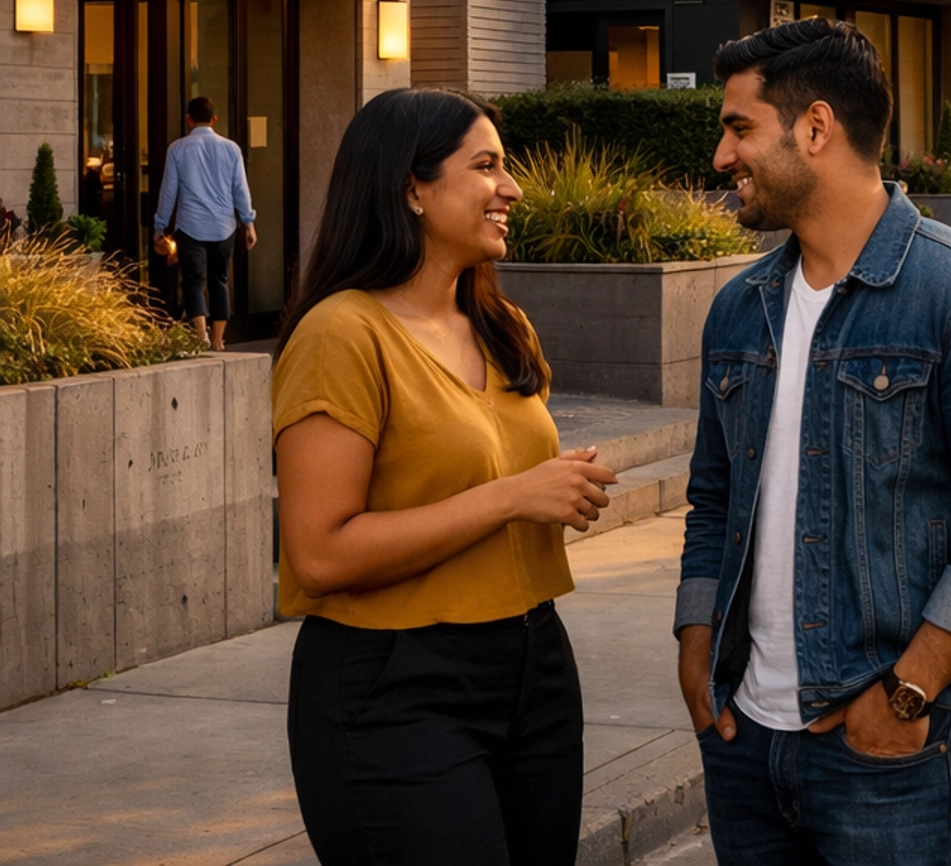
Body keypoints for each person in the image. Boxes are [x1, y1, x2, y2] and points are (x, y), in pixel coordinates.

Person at [676, 20, 951, 866]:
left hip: (899, 754)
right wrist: (695, 643)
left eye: (739, 127)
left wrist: (905, 692)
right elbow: (713, 498)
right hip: (745, 740)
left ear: (815, 128)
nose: (722, 156)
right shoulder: (740, 308)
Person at [271, 87, 617, 866]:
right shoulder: (341, 334)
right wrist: (513, 496)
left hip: (535, 667)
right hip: (395, 686)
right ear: (412, 189)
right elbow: (319, 553)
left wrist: (557, 486)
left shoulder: (503, 326)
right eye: (486, 166)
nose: (512, 188)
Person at [153, 95, 257, 348]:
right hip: (224, 226)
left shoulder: (177, 149)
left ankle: (201, 334)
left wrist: (160, 226)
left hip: (191, 226)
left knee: (193, 281)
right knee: (220, 280)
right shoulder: (231, 149)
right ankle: (219, 341)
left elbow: (169, 191)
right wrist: (248, 222)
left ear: (189, 120)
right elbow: (240, 189)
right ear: (214, 119)